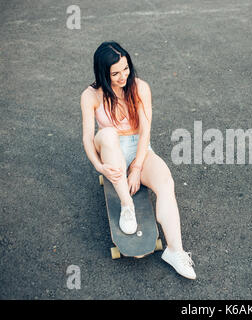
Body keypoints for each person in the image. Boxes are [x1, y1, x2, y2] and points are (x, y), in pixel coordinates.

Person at [80, 41, 196, 280]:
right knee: (109, 133)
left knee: (165, 182)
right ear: (103, 73)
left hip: (140, 147)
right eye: (115, 73)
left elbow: (145, 132)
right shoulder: (90, 95)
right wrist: (99, 166)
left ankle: (175, 251)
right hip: (109, 146)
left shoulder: (140, 87)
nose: (123, 76)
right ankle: (127, 205)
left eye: (125, 69)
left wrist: (137, 167)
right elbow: (87, 138)